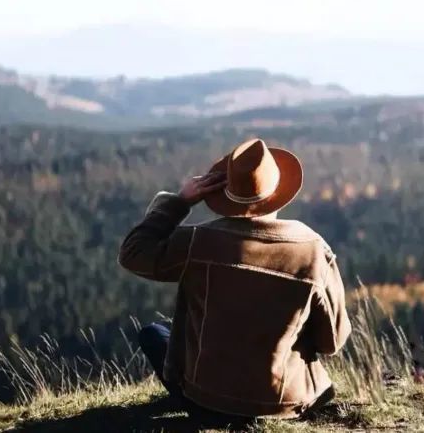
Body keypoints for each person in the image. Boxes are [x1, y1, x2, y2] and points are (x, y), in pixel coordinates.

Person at [118, 138, 351, 421]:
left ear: (226, 192)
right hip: (287, 405)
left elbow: (133, 253)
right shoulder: (313, 251)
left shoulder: (197, 241)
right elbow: (332, 342)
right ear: (278, 191)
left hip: (205, 402)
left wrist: (179, 202)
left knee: (154, 334)